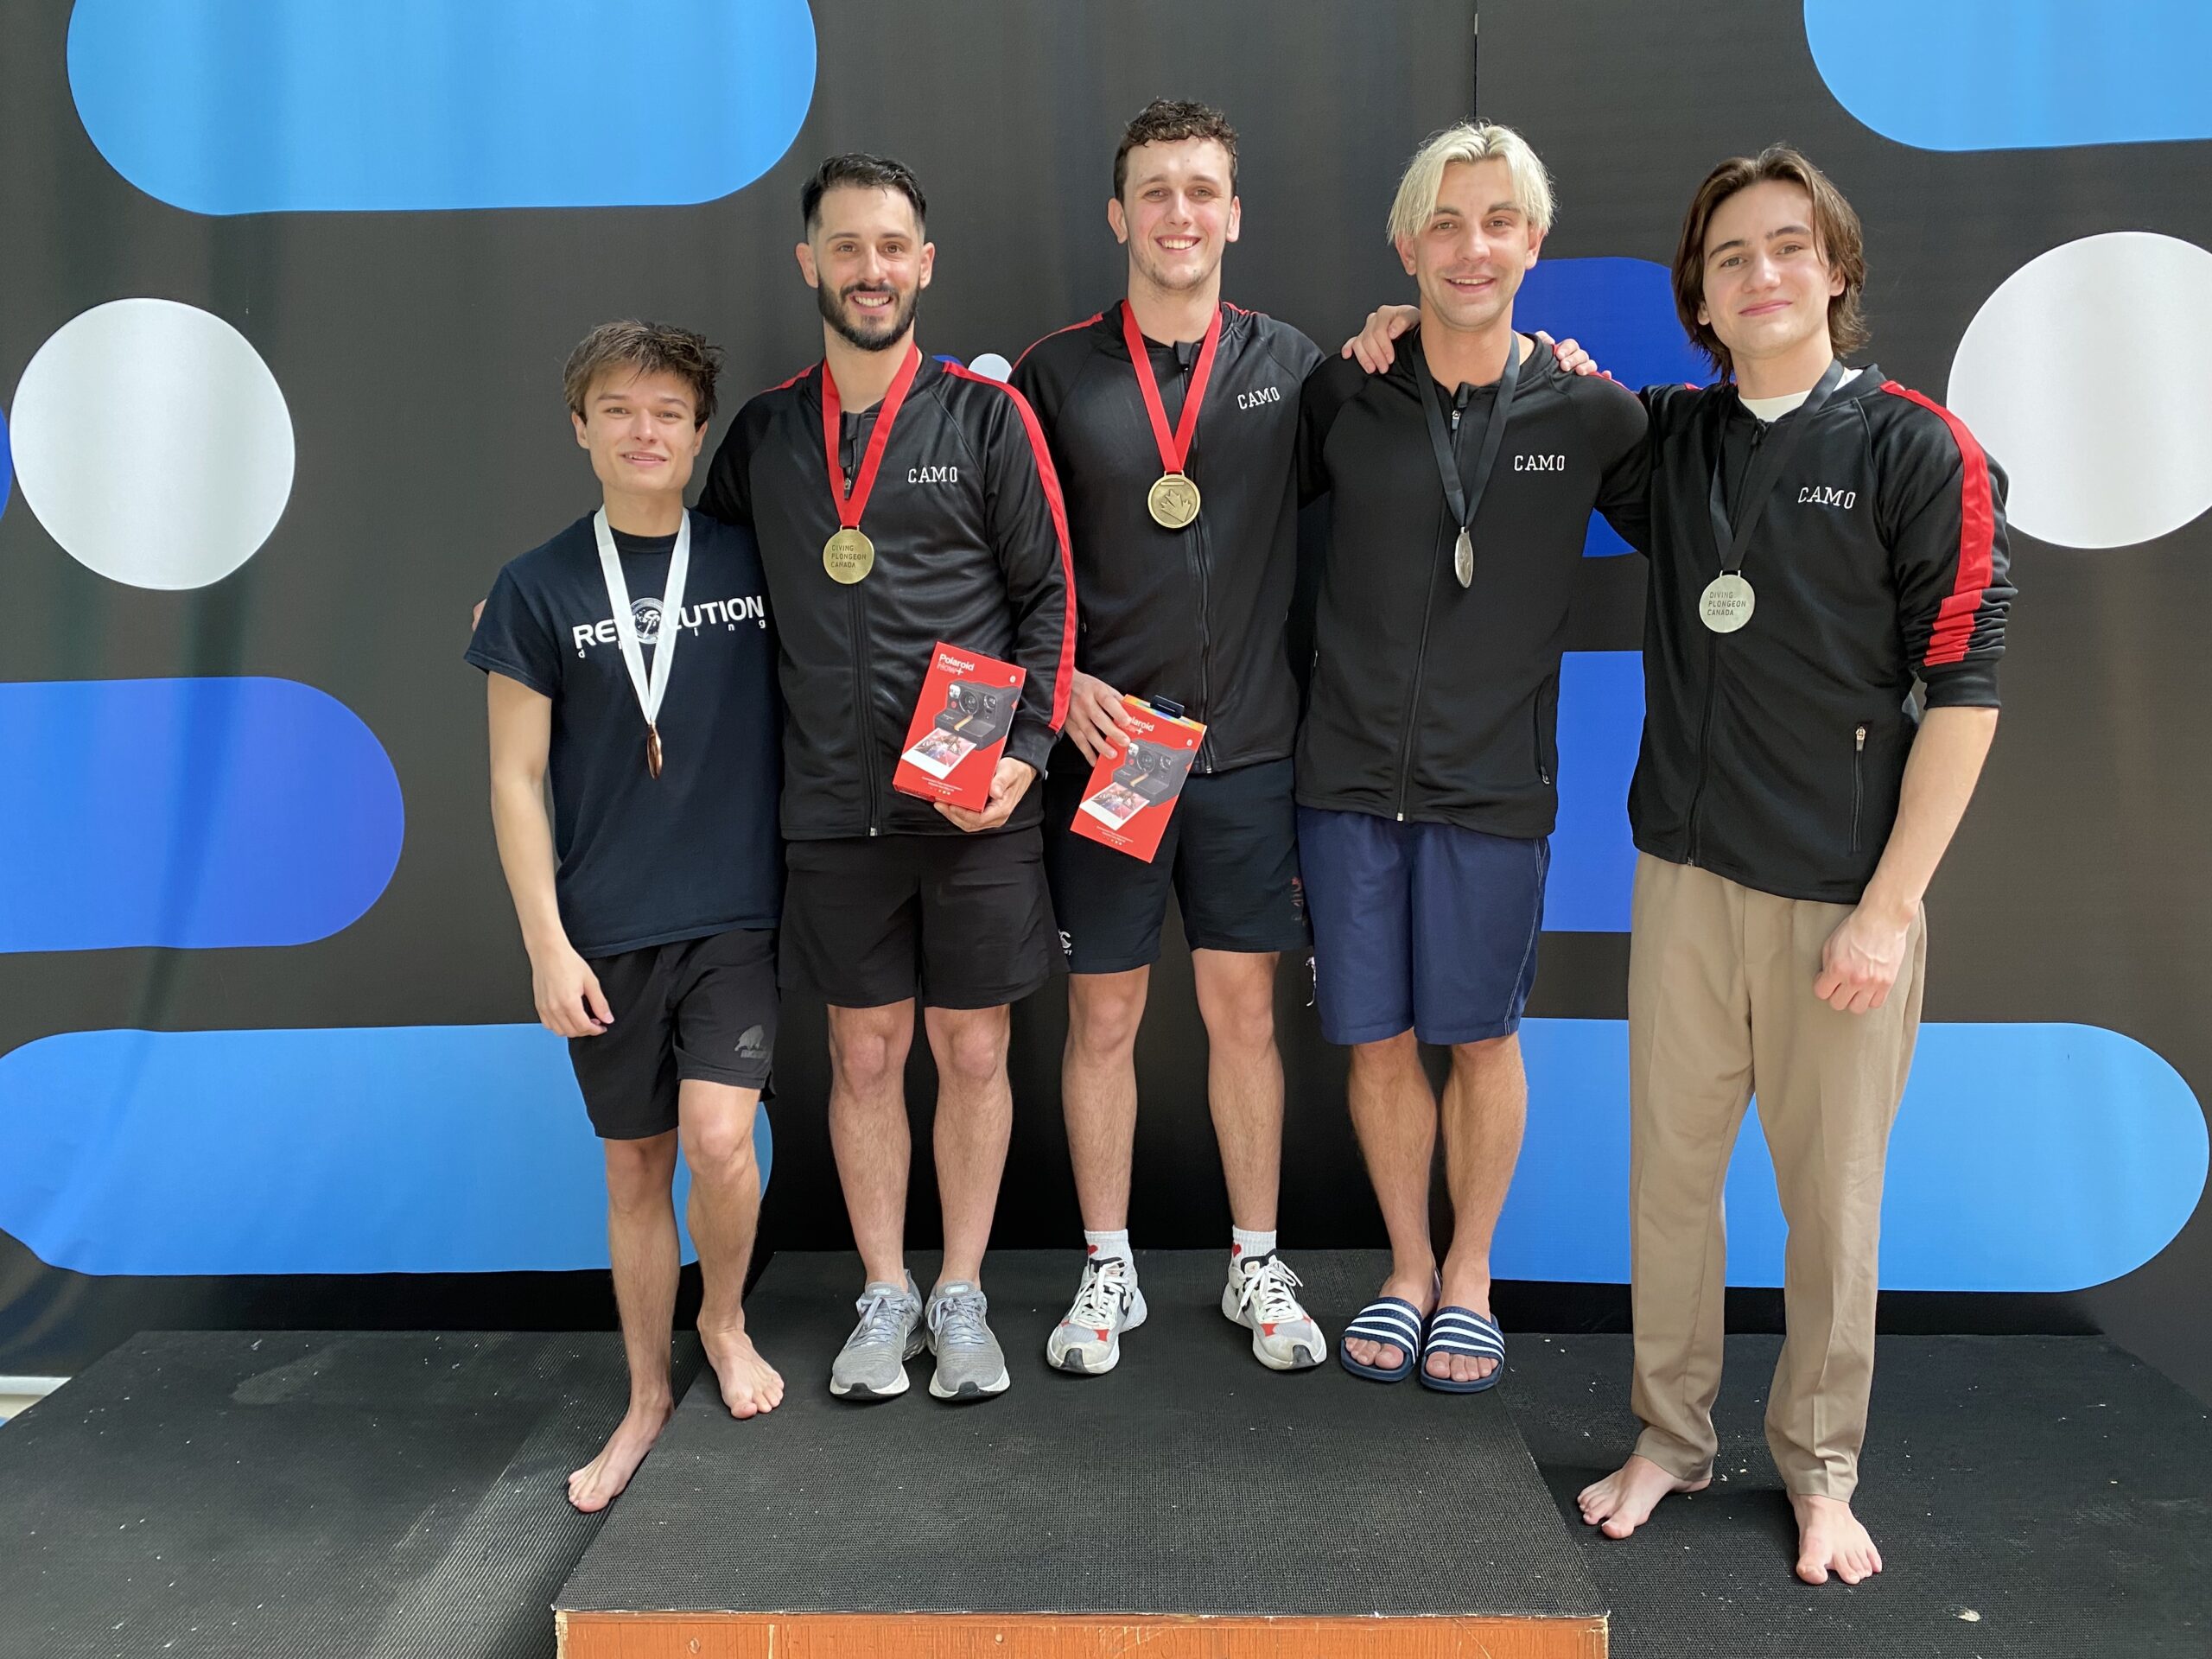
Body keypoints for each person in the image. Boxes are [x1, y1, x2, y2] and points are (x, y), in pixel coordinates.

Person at [1357, 144, 2016, 1582]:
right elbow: (1518, 384)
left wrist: (1891, 913)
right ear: (1700, 300)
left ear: (1835, 270)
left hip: (1844, 898)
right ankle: (1668, 1438)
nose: (1760, 276)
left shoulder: (1920, 448)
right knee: (1671, 1184)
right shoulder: (1672, 439)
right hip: (1686, 874)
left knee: (1832, 1204)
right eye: (1729, 259)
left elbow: (1966, 690)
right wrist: (1408, 330)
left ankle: (1821, 1471)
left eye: (1787, 249)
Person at [701, 154, 1073, 1405]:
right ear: (809, 262)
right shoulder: (761, 436)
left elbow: (1049, 603)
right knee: (864, 1059)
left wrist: (1024, 763)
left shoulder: (985, 417)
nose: (872, 270)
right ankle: (884, 1291)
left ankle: (960, 1292)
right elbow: (697, 595)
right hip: (830, 811)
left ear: (927, 263)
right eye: (847, 247)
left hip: (972, 809)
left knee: (974, 1051)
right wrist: (556, 613)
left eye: (893, 246)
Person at [1297, 123, 1646, 1393]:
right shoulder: (1346, 394)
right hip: (1341, 781)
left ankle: (1470, 1278)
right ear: (1406, 244)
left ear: (1534, 244)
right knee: (1378, 1042)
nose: (1471, 245)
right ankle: (1403, 1267)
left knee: (1483, 1041)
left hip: (1498, 789)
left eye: (1498, 221)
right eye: (1444, 223)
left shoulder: (1594, 409)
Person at [1009, 99, 1324, 1376]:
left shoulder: (1300, 365)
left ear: (1234, 215)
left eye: (1202, 189)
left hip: (1249, 753)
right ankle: (1108, 1270)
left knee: (1244, 1013)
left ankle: (1257, 1261)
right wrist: (1060, 679)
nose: (1179, 212)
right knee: (1103, 1019)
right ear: (1117, 214)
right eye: (1156, 189)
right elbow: (1000, 563)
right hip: (1114, 752)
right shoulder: (1054, 373)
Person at [467, 321, 785, 1510]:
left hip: (737, 912)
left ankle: (727, 1319)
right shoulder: (537, 585)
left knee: (717, 1139)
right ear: (581, 427)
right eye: (619, 410)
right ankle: (646, 1394)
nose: (644, 431)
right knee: (637, 1170)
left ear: (701, 435)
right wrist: (547, 946)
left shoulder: (756, 560)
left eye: (667, 413)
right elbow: (511, 779)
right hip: (603, 931)